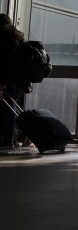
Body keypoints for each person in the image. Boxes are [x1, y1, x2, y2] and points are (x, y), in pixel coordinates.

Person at [0, 14, 28, 148]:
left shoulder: (4, 38)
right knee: (12, 108)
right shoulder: (18, 37)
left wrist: (2, 81)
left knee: (8, 109)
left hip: (9, 79)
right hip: (19, 80)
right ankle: (14, 137)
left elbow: (4, 63)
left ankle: (8, 140)